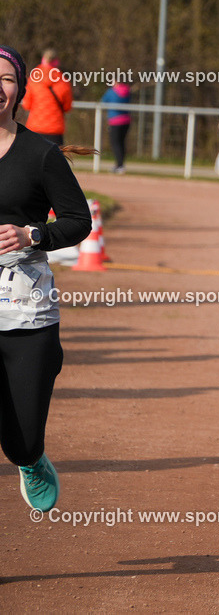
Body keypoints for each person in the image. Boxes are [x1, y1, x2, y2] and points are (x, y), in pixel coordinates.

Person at [0, 45, 91, 512]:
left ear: (20, 89)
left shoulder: (40, 153)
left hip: (25, 307)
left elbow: (78, 221)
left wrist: (32, 233)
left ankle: (30, 459)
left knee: (21, 437)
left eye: (6, 78)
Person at [22, 49, 73, 146]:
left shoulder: (33, 80)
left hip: (35, 127)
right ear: (56, 61)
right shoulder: (63, 81)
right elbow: (67, 107)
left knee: (33, 159)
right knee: (55, 160)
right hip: (55, 129)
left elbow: (27, 105)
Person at [101, 80, 131, 174]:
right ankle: (120, 165)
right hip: (126, 120)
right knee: (121, 143)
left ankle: (119, 165)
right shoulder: (128, 91)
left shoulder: (111, 92)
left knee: (115, 143)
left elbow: (103, 101)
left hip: (115, 121)